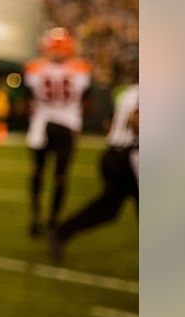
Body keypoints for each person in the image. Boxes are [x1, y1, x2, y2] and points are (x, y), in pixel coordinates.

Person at [50, 83, 138, 262]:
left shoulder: (128, 91)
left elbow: (109, 122)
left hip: (116, 153)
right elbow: (137, 122)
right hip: (129, 156)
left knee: (108, 208)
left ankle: (62, 231)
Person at [23, 26, 92, 236]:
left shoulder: (34, 68)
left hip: (41, 125)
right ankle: (53, 219)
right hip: (67, 125)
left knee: (38, 172)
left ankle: (36, 216)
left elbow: (27, 99)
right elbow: (86, 101)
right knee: (60, 177)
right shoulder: (81, 69)